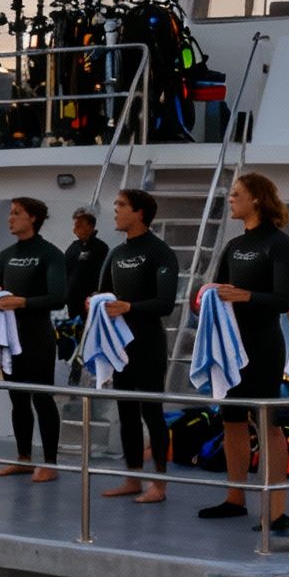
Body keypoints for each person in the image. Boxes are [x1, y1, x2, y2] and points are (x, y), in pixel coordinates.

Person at [196, 173, 289, 528]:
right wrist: (208, 295)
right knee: (232, 420)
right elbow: (222, 285)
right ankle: (234, 497)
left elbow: (282, 300)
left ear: (257, 198)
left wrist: (243, 295)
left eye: (236, 194)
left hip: (263, 345)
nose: (230, 199)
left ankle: (276, 510)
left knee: (268, 423)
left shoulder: (280, 244)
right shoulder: (233, 245)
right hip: (231, 347)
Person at [99, 188, 178, 503]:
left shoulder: (160, 252)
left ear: (139, 213)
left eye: (121, 205)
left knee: (152, 412)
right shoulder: (117, 254)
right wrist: (97, 303)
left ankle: (158, 483)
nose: (115, 210)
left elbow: (165, 303)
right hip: (121, 347)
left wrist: (128, 307)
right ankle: (132, 478)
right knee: (126, 412)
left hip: (148, 343)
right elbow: (105, 293)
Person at [0, 197, 66, 482]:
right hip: (9, 337)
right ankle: (24, 459)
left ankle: (51, 463)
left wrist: (22, 302)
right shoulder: (6, 254)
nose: (10, 218)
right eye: (10, 213)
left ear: (32, 218)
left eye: (16, 213)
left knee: (42, 398)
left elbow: (58, 297)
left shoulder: (50, 254)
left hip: (38, 336)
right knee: (17, 399)